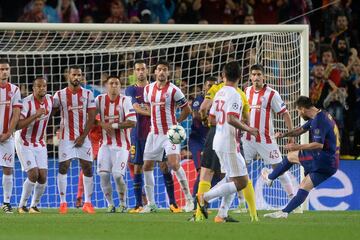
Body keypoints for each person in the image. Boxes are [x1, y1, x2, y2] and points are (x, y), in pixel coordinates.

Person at [197, 61, 259, 222]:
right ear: (240, 77)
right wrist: (248, 129)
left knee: (231, 178)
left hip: (218, 139)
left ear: (223, 76)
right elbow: (231, 118)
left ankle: (222, 214)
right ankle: (205, 198)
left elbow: (211, 118)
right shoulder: (236, 95)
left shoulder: (219, 92)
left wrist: (223, 124)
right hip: (229, 143)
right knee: (242, 182)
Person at [264, 96, 340, 218]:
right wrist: (283, 135)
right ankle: (284, 212)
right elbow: (299, 130)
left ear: (303, 109)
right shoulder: (322, 115)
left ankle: (270, 177)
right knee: (305, 185)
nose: (298, 114)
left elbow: (318, 145)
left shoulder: (318, 121)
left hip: (322, 159)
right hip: (332, 164)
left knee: (291, 156)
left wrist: (297, 147)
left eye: (298, 111)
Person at [125, 60, 184, 213]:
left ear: (148, 71)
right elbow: (137, 108)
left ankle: (173, 203)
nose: (140, 72)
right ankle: (139, 204)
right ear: (134, 72)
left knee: (165, 165)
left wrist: (159, 113)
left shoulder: (155, 89)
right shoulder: (131, 90)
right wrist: (156, 112)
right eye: (137, 69)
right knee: (139, 167)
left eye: (143, 69)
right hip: (138, 134)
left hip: (158, 132)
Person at [140, 59, 193, 213]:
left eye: (164, 69)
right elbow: (149, 107)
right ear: (155, 72)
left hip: (171, 133)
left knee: (174, 164)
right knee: (147, 166)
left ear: (168, 73)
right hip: (154, 133)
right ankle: (151, 204)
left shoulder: (174, 90)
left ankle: (189, 200)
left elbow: (187, 109)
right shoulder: (148, 89)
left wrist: (177, 122)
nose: (162, 72)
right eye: (159, 69)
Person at [242, 64, 296, 200]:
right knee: (239, 170)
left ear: (264, 77)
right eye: (253, 74)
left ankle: (293, 200)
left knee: (280, 168)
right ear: (250, 76)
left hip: (266, 139)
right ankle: (242, 203)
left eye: (259, 75)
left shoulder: (272, 94)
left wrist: (291, 135)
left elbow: (285, 114)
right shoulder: (246, 91)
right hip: (247, 139)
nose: (256, 77)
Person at [53, 65, 96, 214]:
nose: (77, 77)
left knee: (88, 168)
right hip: (66, 138)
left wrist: (83, 136)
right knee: (63, 167)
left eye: (79, 75)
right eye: (74, 75)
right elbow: (51, 112)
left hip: (84, 138)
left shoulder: (88, 94)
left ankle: (88, 203)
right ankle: (63, 202)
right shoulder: (59, 95)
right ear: (68, 76)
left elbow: (92, 117)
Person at [96, 76, 136, 213]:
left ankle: (123, 203)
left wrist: (112, 125)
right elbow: (90, 118)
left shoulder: (126, 101)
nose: (114, 86)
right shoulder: (99, 100)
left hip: (122, 146)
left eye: (117, 84)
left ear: (120, 86)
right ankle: (110, 204)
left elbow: (132, 122)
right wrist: (102, 124)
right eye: (111, 83)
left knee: (118, 175)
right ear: (106, 86)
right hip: (105, 145)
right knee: (103, 175)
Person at [15, 77, 53, 213]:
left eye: (44, 86)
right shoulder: (26, 103)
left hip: (39, 142)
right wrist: (35, 115)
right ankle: (21, 205)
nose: (42, 88)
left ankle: (34, 206)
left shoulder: (50, 99)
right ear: (33, 88)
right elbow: (18, 125)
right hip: (24, 141)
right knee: (33, 174)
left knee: (42, 176)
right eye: (39, 86)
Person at [189, 77, 216, 204]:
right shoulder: (199, 99)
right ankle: (195, 204)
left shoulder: (217, 100)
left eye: (213, 85)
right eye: (209, 85)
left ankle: (204, 200)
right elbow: (195, 114)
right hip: (197, 141)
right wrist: (208, 118)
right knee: (202, 171)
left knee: (216, 174)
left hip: (211, 141)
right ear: (204, 87)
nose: (211, 88)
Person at [0, 59, 22, 213]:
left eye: (6, 69)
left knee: (8, 168)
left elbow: (16, 113)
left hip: (7, 137)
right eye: (1, 69)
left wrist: (8, 132)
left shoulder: (14, 90)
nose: (4, 72)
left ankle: (6, 202)